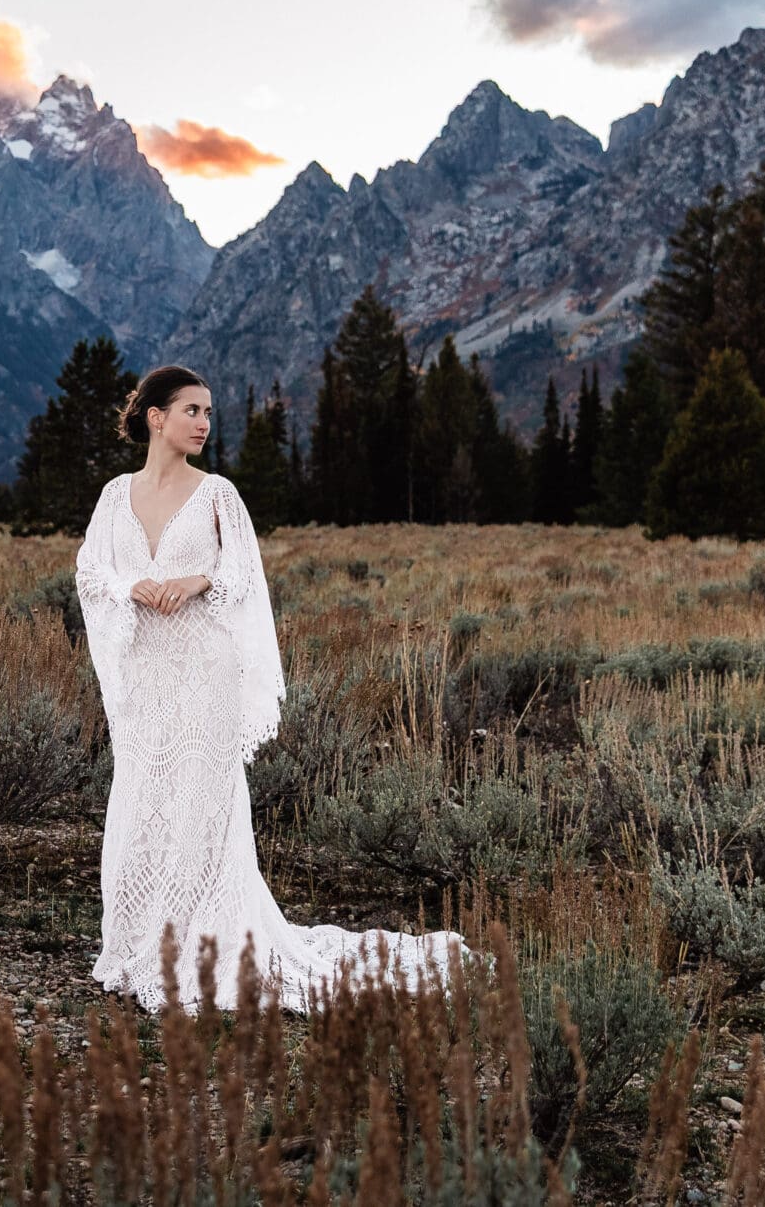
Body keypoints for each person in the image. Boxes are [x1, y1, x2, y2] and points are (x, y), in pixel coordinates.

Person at [75, 363, 472, 1012]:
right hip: (147, 677)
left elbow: (244, 574)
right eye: (191, 410)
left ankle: (203, 947)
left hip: (206, 673)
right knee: (144, 799)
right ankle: (137, 941)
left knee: (204, 807)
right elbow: (91, 572)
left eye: (208, 411)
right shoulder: (115, 494)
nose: (204, 422)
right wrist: (131, 586)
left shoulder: (217, 495)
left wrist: (195, 580)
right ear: (156, 417)